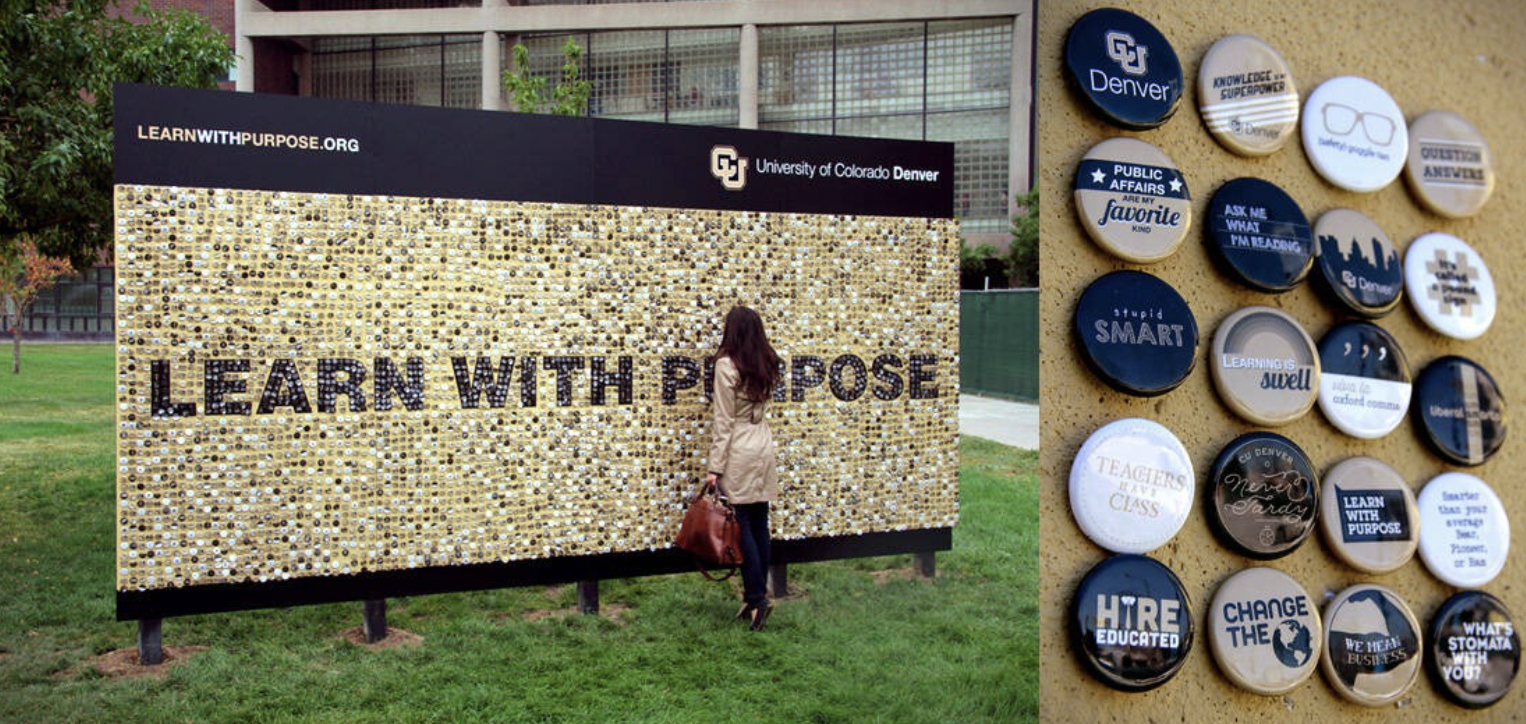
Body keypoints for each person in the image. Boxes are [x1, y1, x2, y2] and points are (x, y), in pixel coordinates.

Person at [705, 305, 781, 631]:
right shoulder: (766, 362)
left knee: (743, 524)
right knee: (759, 520)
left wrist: (714, 467)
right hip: (763, 444)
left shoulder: (726, 365)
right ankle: (756, 597)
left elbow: (723, 420)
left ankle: (756, 599)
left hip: (738, 448)